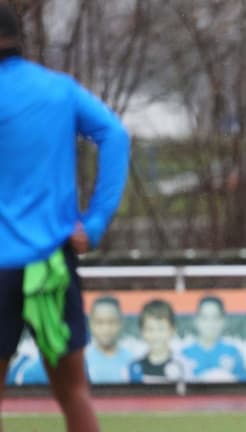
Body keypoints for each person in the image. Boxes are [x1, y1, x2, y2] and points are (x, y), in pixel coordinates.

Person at [0, 4, 130, 432]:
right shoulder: (58, 90)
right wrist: (94, 222)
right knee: (74, 393)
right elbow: (115, 135)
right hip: (51, 264)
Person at [181, 295, 246, 382]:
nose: (210, 324)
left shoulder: (232, 352)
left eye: (215, 318)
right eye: (205, 318)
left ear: (223, 321)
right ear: (196, 321)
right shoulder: (185, 355)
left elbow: (244, 386)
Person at [128, 299, 184, 384]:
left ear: (172, 330)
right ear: (142, 332)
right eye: (150, 329)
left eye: (161, 329)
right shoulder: (134, 367)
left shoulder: (183, 365)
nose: (155, 335)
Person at [85, 295, 134, 384]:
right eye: (99, 322)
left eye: (111, 322)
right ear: (91, 324)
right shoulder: (83, 359)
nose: (106, 329)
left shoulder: (132, 359)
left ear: (121, 323)